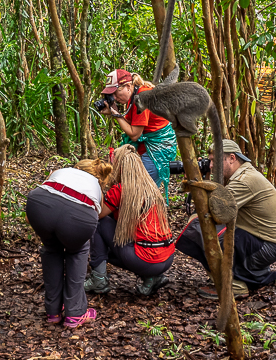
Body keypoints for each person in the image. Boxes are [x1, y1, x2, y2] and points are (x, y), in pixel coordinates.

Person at [175, 139, 276, 298]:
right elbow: (217, 196)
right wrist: (202, 178)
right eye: (210, 161)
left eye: (215, 161)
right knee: (202, 224)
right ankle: (247, 275)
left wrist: (197, 183)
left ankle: (232, 286)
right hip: (261, 241)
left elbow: (215, 214)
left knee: (199, 226)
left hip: (263, 247)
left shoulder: (244, 181)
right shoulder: (243, 173)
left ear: (232, 158)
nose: (212, 165)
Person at [25, 159, 113, 328]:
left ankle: (53, 311)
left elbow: (32, 213)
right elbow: (98, 213)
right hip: (78, 217)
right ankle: (75, 313)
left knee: (51, 249)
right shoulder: (96, 186)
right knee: (77, 251)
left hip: (39, 205)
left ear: (78, 168)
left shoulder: (61, 171)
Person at [84, 145, 174, 296]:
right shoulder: (151, 187)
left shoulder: (120, 189)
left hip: (146, 259)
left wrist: (98, 187)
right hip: (167, 257)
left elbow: (97, 215)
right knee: (112, 240)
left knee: (99, 224)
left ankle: (98, 279)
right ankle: (151, 278)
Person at [98, 69, 177, 199]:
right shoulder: (135, 95)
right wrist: (114, 112)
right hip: (148, 145)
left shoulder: (142, 97)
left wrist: (116, 114)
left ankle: (148, 217)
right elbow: (134, 123)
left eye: (116, 93)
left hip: (157, 150)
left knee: (143, 191)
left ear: (128, 86)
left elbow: (135, 134)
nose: (115, 98)